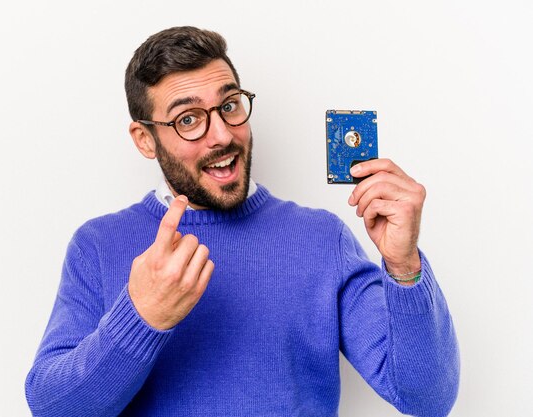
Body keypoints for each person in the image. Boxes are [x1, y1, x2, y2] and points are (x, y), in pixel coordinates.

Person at [25, 26, 459, 417]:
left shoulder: (321, 239)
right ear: (145, 139)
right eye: (188, 119)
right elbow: (52, 408)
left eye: (230, 105)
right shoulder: (99, 244)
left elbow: (427, 398)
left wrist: (404, 266)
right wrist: (142, 317)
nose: (222, 135)